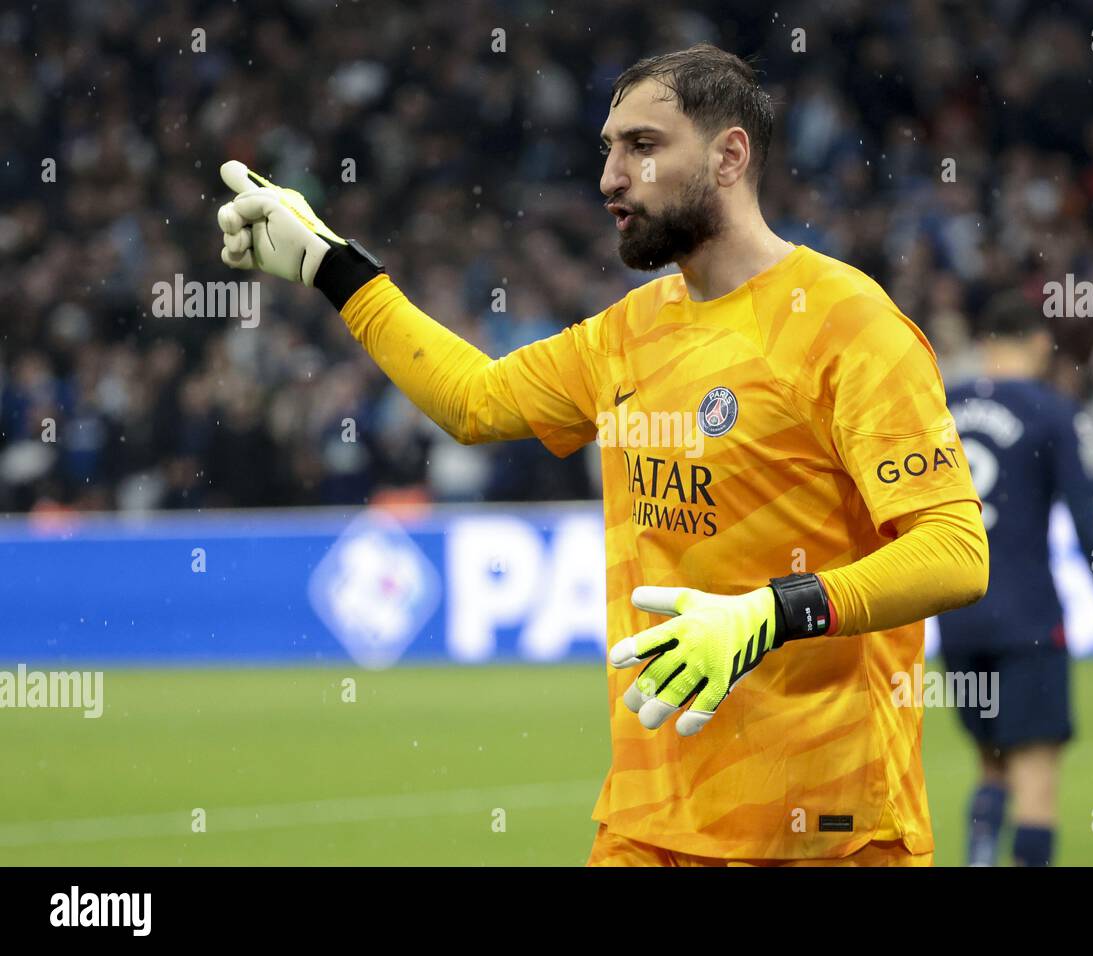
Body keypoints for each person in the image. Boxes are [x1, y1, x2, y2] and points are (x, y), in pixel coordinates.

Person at [216, 44, 989, 866]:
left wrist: (768, 614)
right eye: (609, 149)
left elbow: (954, 553)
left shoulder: (848, 325)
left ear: (730, 156)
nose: (610, 178)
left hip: (825, 828)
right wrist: (331, 266)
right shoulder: (629, 329)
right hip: (648, 822)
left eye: (643, 147)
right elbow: (475, 402)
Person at [940, 291, 1093, 866]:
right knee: (1036, 779)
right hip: (1028, 619)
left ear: (984, 346)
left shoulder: (940, 405)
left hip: (958, 618)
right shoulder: (1053, 411)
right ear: (1038, 344)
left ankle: (979, 856)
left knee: (991, 764)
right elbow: (1087, 526)